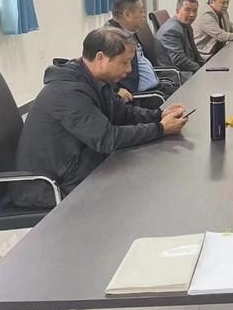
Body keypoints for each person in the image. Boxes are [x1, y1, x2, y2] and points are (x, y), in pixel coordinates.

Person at [11, 27, 188, 208]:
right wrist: (160, 129)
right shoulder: (66, 91)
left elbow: (123, 113)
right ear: (101, 58)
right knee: (141, 194)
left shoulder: (93, 79)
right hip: (49, 187)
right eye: (124, 62)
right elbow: (106, 138)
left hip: (78, 166)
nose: (129, 69)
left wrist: (159, 115)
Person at [107, 0, 178, 105]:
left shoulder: (129, 32)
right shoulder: (111, 39)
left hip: (155, 89)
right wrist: (116, 90)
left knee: (187, 94)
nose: (144, 15)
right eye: (141, 11)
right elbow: (100, 73)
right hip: (142, 98)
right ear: (127, 15)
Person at [156, 0, 204, 75]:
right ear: (177, 11)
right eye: (187, 10)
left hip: (187, 70)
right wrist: (200, 69)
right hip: (176, 75)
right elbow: (179, 60)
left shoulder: (186, 25)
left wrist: (205, 66)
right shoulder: (172, 30)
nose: (192, 14)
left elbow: (195, 53)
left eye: (195, 11)